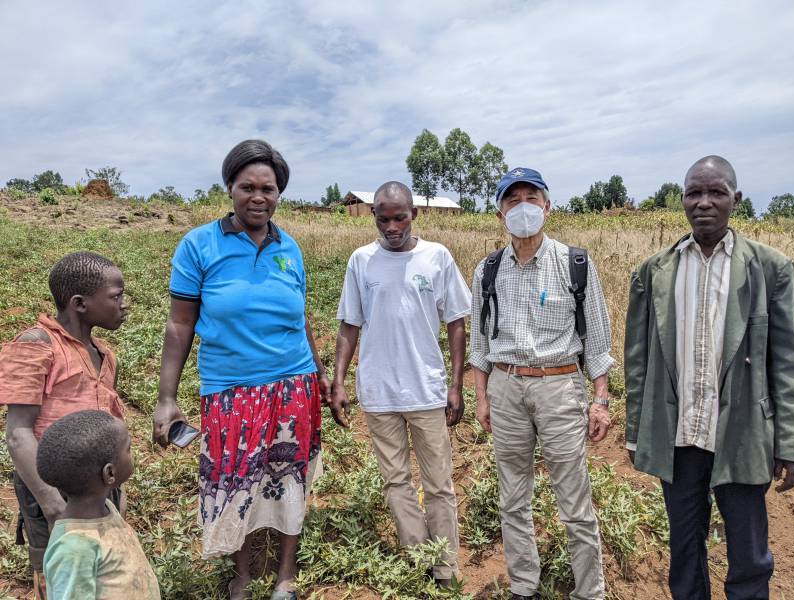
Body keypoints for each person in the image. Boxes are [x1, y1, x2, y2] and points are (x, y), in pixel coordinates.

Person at [152, 139, 330, 600]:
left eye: (268, 189)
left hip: (294, 383)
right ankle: (244, 574)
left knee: (289, 474)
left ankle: (285, 574)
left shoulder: (288, 246)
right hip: (231, 389)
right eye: (247, 186)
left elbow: (302, 316)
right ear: (229, 187)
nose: (258, 197)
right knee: (236, 480)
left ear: (279, 193)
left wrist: (321, 372)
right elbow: (179, 324)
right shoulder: (199, 245)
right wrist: (166, 397)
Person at [624, 155, 794, 600]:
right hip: (679, 435)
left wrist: (792, 442)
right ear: (682, 201)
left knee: (749, 556)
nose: (704, 203)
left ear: (735, 200)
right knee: (684, 551)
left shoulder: (771, 269)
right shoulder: (653, 272)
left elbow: (787, 361)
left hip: (741, 433)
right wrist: (633, 432)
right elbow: (638, 359)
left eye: (716, 192)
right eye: (693, 193)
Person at [471, 168, 613, 600]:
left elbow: (599, 341)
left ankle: (590, 591)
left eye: (531, 198)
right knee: (512, 497)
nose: (522, 207)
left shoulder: (575, 264)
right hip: (506, 387)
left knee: (574, 500)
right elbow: (480, 340)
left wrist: (601, 400)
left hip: (559, 386)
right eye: (512, 200)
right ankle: (524, 586)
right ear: (499, 214)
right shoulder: (488, 270)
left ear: (547, 206)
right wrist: (482, 396)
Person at [329, 181, 471, 585]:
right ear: (373, 217)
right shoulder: (361, 261)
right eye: (383, 218)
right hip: (378, 393)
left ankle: (445, 568)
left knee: (439, 483)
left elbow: (457, 324)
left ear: (415, 215)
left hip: (426, 390)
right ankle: (419, 560)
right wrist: (339, 381)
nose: (391, 226)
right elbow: (349, 325)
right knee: (396, 482)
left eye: (399, 217)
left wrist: (456, 385)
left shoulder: (437, 257)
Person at [0, 252, 129, 600]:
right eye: (116, 297)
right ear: (79, 303)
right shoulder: (36, 345)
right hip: (52, 486)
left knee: (101, 569)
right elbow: (18, 434)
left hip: (100, 483)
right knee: (60, 574)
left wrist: (118, 491)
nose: (124, 305)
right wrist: (53, 504)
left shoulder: (104, 354)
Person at [38, 410, 160, 599]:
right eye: (128, 448)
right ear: (109, 473)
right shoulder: (74, 548)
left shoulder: (106, 509)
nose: (132, 453)